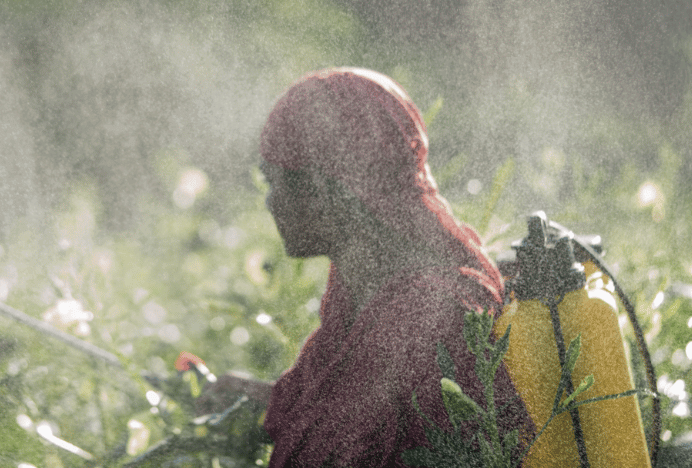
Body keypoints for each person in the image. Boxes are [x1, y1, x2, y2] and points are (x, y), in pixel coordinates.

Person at [198, 68, 532, 467]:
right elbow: (338, 410)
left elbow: (349, 441)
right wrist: (255, 400)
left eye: (274, 181)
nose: (269, 202)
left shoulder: (427, 313)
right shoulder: (365, 286)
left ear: (328, 188)